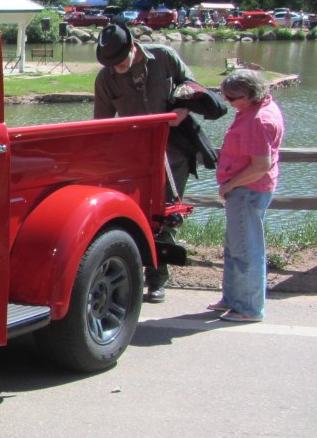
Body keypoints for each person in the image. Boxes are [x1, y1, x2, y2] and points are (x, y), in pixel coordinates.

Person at [93, 22, 195, 302]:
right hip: (135, 156)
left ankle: (158, 280)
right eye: (110, 64)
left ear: (133, 47)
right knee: (134, 215)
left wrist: (182, 109)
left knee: (164, 214)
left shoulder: (163, 56)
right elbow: (101, 125)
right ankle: (130, 275)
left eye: (120, 61)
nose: (116, 67)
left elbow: (191, 84)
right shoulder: (105, 78)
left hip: (173, 152)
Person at [209, 69, 285, 323]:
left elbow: (260, 165)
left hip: (248, 191)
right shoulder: (257, 109)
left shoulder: (258, 120)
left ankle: (249, 308)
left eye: (232, 98)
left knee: (246, 251)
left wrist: (229, 185)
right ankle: (232, 299)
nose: (228, 103)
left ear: (250, 94)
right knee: (235, 248)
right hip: (247, 189)